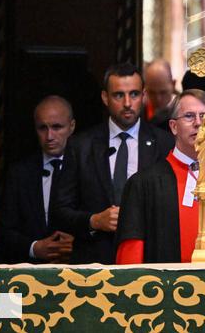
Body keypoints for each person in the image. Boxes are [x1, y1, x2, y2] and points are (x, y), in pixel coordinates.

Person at [51, 63, 173, 263]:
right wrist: (94, 221)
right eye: (118, 95)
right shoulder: (81, 146)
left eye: (134, 94)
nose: (127, 103)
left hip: (149, 260)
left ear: (143, 96)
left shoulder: (165, 143)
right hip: (94, 261)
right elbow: (59, 211)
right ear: (105, 98)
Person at [116, 90, 205, 263]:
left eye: (204, 117)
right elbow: (131, 256)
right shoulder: (143, 183)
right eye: (189, 116)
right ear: (174, 126)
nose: (198, 123)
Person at [0, 96, 76, 263]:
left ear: (71, 126)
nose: (49, 136)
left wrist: (77, 246)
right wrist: (34, 248)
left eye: (57, 127)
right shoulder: (20, 173)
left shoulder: (88, 168)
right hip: (30, 270)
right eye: (42, 128)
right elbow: (4, 231)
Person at [143, 59, 176, 128]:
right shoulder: (139, 113)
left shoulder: (183, 113)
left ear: (173, 84)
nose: (158, 99)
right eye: (152, 93)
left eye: (163, 92)